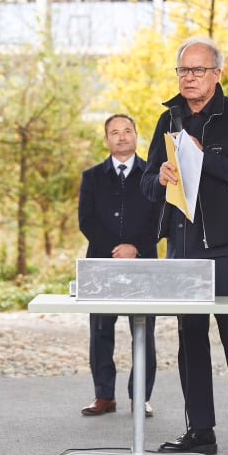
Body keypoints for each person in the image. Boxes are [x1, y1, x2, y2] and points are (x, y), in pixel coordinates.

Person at [141, 36, 228, 455]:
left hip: (227, 249)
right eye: (183, 70)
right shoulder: (168, 119)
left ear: (217, 73)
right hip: (183, 249)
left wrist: (204, 158)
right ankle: (201, 432)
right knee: (189, 339)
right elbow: (145, 182)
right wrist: (157, 176)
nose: (189, 78)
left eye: (197, 70)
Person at [78, 114, 159, 417]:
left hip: (143, 261)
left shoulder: (153, 175)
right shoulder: (92, 177)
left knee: (144, 331)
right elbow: (86, 220)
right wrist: (115, 250)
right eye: (115, 132)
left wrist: (134, 247)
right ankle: (104, 396)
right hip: (102, 262)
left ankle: (140, 396)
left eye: (127, 131)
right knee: (100, 330)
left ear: (137, 135)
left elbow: (159, 218)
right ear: (106, 140)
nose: (122, 137)